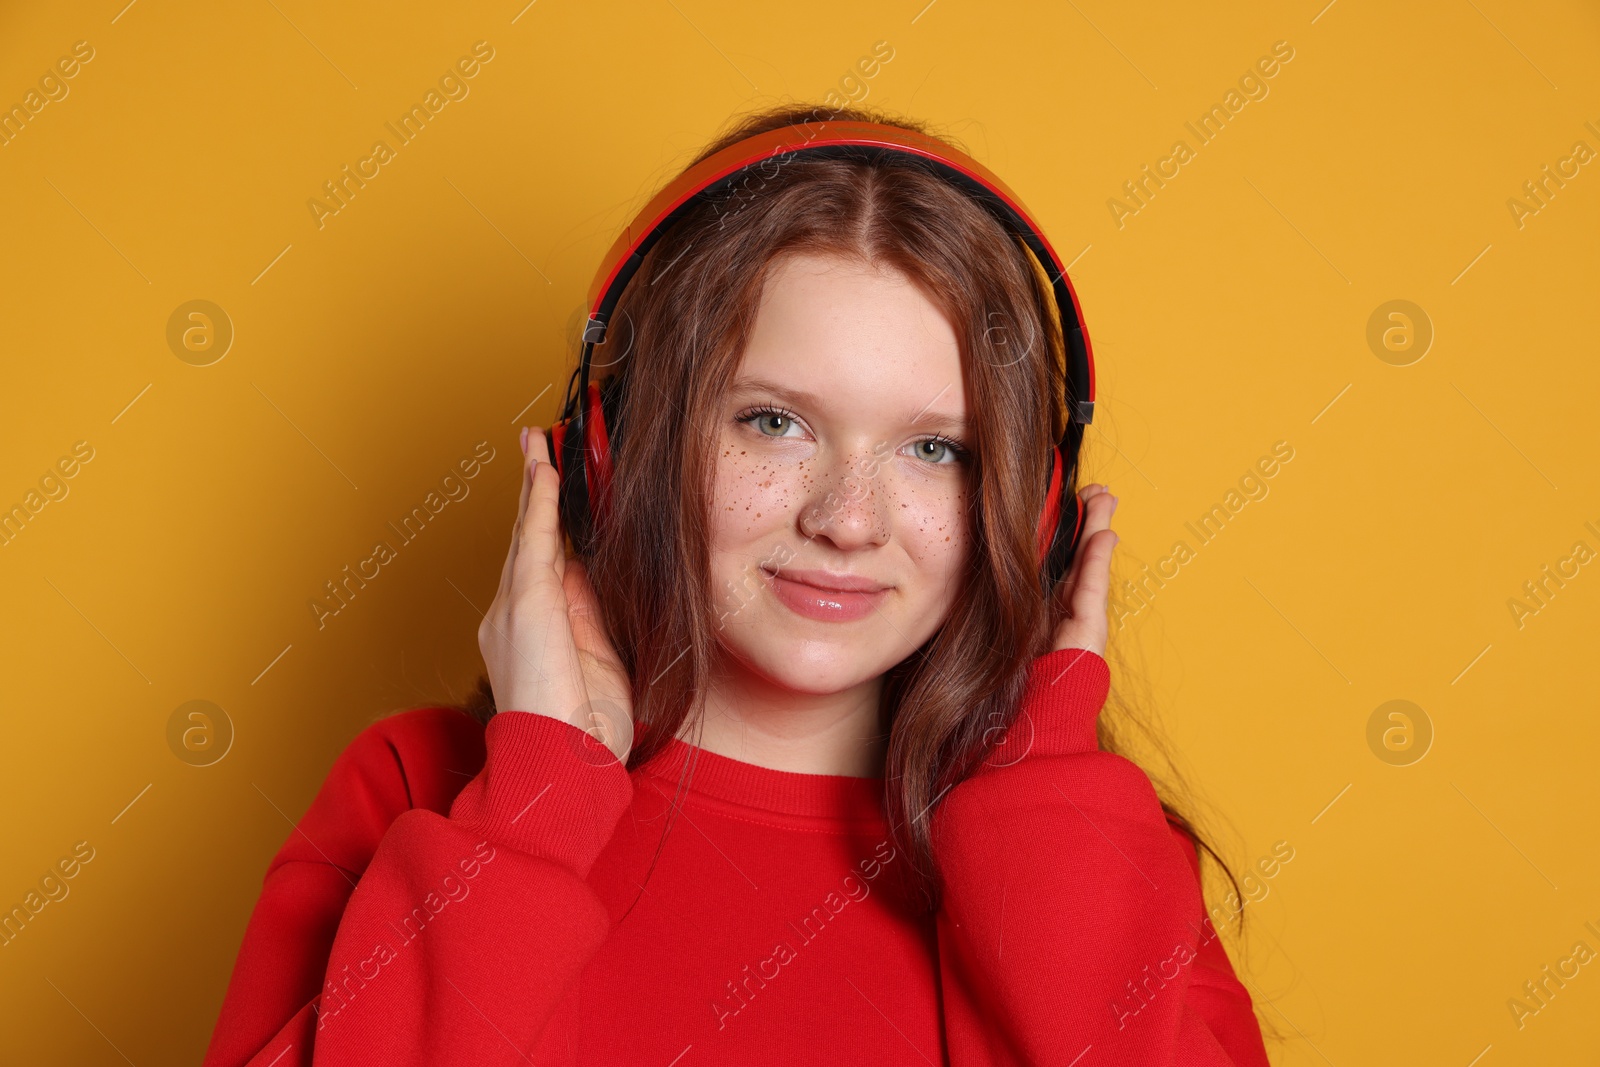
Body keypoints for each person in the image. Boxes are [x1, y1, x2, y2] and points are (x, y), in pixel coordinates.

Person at [202, 102, 1272, 1066]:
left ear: (1033, 508)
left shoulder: (1094, 851)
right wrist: (534, 810)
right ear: (619, 451)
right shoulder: (417, 791)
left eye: (935, 449)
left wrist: (1044, 803)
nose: (846, 519)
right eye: (773, 421)